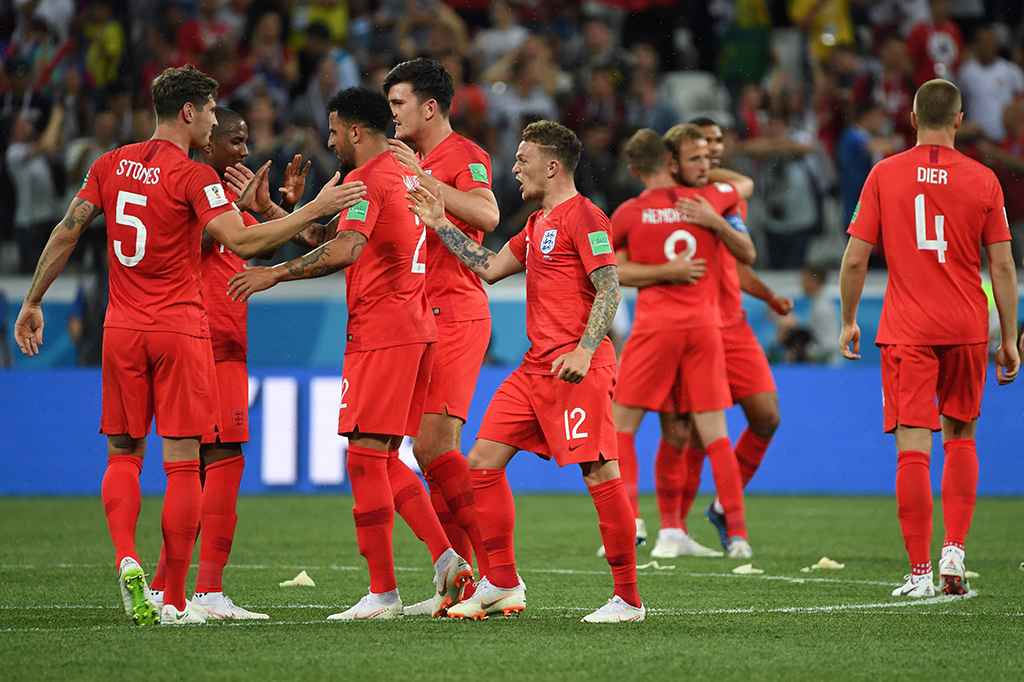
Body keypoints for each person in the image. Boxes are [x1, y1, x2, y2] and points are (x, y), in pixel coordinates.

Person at [12, 64, 367, 627]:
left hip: (121, 328)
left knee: (124, 456)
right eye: (208, 111)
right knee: (182, 465)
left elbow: (67, 230)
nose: (211, 121)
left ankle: (128, 559)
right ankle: (176, 600)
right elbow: (244, 240)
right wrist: (315, 209)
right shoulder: (193, 177)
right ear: (187, 112)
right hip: (179, 329)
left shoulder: (107, 165)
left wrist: (32, 301)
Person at [226, 86, 473, 621]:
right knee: (381, 457)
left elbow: (346, 248)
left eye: (335, 132)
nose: (331, 141)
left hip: (382, 333)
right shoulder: (404, 174)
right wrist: (274, 210)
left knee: (364, 459)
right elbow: (336, 235)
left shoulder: (364, 180)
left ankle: (383, 593)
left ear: (355, 132)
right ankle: (447, 559)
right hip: (414, 328)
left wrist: (273, 273)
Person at [407, 120, 645, 623]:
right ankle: (502, 583)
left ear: (551, 166)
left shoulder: (587, 218)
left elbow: (610, 288)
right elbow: (489, 268)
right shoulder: (537, 225)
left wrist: (585, 350)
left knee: (600, 472)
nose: (513, 168)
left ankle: (628, 599)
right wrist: (440, 222)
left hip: (577, 367)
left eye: (523, 159)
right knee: (482, 462)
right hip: (534, 368)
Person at [839, 79, 1019, 598]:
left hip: (907, 329)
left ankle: (919, 574)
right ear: (960, 119)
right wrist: (1008, 337)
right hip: (967, 327)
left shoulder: (884, 173)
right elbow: (1003, 266)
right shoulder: (985, 180)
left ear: (912, 119)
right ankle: (954, 553)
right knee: (962, 436)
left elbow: (855, 257)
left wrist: (850, 319)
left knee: (912, 447)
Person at [146, 107, 306, 621]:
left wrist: (280, 210)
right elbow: (180, 250)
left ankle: (163, 586)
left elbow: (291, 245)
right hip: (205, 340)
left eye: (244, 141)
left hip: (220, 340)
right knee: (219, 462)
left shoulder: (222, 201)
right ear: (206, 141)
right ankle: (206, 591)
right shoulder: (193, 190)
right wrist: (237, 213)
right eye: (233, 140)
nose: (243, 150)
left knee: (199, 466)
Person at [382, 57, 498, 614]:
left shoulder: (465, 156)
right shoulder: (414, 163)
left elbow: (487, 213)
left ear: (430, 107)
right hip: (419, 318)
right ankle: (463, 580)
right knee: (422, 451)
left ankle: (495, 575)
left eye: (399, 103)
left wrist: (423, 180)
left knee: (432, 446)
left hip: (457, 312)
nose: (392, 114)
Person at [611, 126, 757, 561]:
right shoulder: (711, 200)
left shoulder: (629, 212)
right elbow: (744, 186)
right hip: (705, 328)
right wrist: (713, 182)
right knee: (715, 435)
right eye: (695, 159)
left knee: (621, 426)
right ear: (673, 162)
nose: (704, 165)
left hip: (655, 328)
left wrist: (663, 273)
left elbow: (612, 270)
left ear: (635, 169)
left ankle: (631, 521)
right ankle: (739, 536)